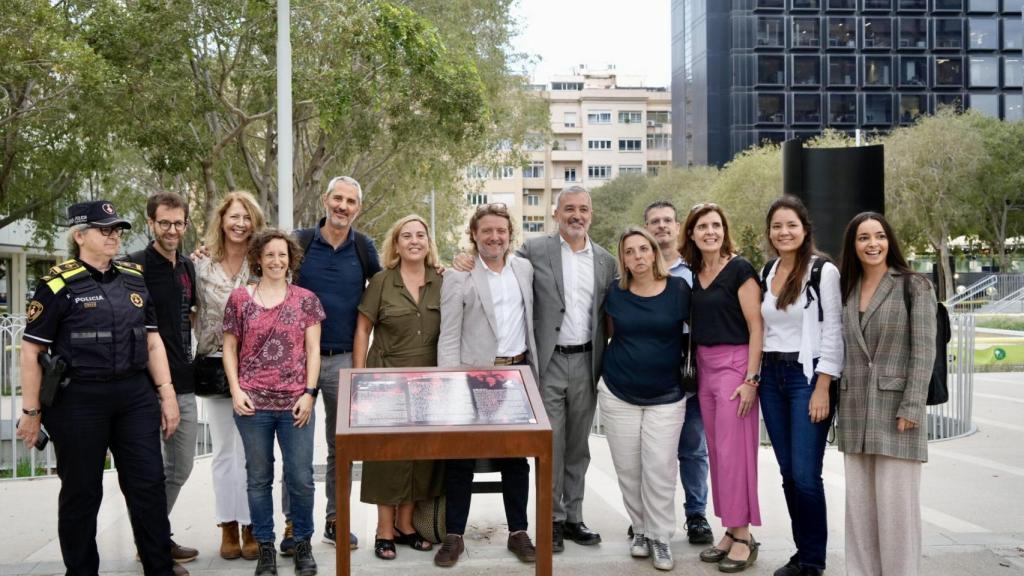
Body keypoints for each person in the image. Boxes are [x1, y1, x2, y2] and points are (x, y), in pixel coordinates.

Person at [16, 200, 185, 576]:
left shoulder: (134, 277)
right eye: (104, 229)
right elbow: (31, 352)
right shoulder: (56, 284)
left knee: (148, 487)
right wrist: (31, 412)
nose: (114, 236)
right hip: (78, 401)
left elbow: (153, 341)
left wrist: (167, 393)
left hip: (134, 396)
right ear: (80, 235)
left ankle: (160, 568)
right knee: (81, 492)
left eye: (117, 229)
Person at [513, 185, 616, 551]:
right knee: (551, 444)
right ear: (555, 213)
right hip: (550, 361)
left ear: (591, 214)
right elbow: (500, 272)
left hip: (588, 362)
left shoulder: (605, 260)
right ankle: (552, 521)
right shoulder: (533, 250)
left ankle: (574, 518)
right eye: (569, 208)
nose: (576, 215)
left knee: (578, 447)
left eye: (583, 209)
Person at [436, 203, 539, 567]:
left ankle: (518, 532)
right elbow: (448, 335)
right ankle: (453, 536)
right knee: (460, 457)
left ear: (510, 235)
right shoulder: (458, 276)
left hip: (517, 376)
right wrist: (448, 383)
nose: (494, 237)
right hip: (471, 376)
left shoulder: (524, 269)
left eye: (501, 231)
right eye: (487, 231)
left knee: (516, 456)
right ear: (474, 235)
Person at [223, 229, 326, 576]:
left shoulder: (306, 300)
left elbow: (313, 350)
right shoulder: (239, 299)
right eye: (269, 255)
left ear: (291, 259)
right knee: (258, 478)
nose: (276, 261)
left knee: (300, 478)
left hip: (296, 404)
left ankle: (302, 544)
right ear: (258, 258)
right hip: (253, 405)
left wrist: (309, 394)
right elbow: (229, 348)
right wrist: (236, 390)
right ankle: (266, 547)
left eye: (282, 255)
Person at [838, 212, 935, 576]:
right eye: (863, 238)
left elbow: (924, 351)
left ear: (890, 241)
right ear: (854, 245)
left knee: (897, 513)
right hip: (854, 410)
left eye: (879, 236)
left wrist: (912, 404)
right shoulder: (846, 289)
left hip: (898, 412)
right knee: (860, 512)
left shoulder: (915, 286)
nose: (873, 244)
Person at [292, 175, 382, 551]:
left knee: (339, 447)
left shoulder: (364, 247)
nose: (343, 206)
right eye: (338, 199)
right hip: (298, 362)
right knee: (296, 449)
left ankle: (336, 519)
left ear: (358, 208)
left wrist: (437, 270)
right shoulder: (298, 242)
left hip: (346, 359)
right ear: (326, 200)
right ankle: (294, 526)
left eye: (351, 202)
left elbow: (385, 290)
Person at [758, 197, 843, 576]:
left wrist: (823, 385)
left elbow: (833, 331)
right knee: (788, 473)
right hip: (771, 379)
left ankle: (813, 560)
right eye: (777, 226)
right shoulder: (768, 270)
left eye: (790, 225)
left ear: (804, 228)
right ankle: (801, 552)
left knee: (807, 474)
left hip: (806, 379)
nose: (783, 232)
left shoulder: (822, 270)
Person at [352, 214, 444, 560]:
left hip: (428, 384)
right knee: (387, 457)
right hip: (386, 379)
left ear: (428, 242)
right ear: (397, 243)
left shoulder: (441, 280)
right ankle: (383, 529)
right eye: (407, 235)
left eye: (421, 234)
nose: (415, 240)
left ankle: (406, 526)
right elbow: (363, 329)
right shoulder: (381, 281)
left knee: (420, 455)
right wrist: (359, 378)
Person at [601, 227, 691, 571]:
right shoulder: (615, 292)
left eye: (643, 249)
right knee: (629, 468)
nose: (637, 256)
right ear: (623, 258)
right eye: (629, 251)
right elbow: (609, 332)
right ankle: (639, 530)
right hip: (618, 390)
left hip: (667, 394)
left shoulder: (679, 289)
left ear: (654, 252)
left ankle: (660, 536)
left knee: (660, 468)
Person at [682, 203, 763, 573]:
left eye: (716, 225)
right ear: (693, 234)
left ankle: (744, 535)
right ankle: (730, 530)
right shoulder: (695, 272)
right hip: (704, 367)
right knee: (716, 452)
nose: (710, 231)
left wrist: (751, 379)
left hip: (735, 368)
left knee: (736, 455)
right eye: (702, 226)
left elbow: (756, 326)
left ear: (724, 229)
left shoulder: (740, 269)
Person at [124, 192, 200, 565]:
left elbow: (191, 316)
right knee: (149, 472)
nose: (172, 230)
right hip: (142, 386)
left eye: (178, 223)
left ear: (186, 224)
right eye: (164, 223)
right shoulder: (132, 267)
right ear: (150, 223)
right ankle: (153, 545)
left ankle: (154, 534)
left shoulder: (187, 266)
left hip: (182, 381)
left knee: (181, 466)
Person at [194, 191, 265, 561]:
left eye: (247, 218)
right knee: (224, 451)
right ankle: (228, 526)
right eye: (234, 217)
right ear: (221, 220)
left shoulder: (261, 263)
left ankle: (253, 524)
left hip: (257, 366)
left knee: (254, 451)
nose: (240, 224)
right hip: (216, 365)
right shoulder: (200, 266)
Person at [642, 201, 714, 546]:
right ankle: (649, 518)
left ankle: (696, 515)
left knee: (692, 447)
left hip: (691, 372)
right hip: (652, 372)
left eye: (667, 220)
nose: (661, 226)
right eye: (654, 221)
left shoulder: (697, 267)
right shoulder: (638, 267)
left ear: (677, 226)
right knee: (654, 452)